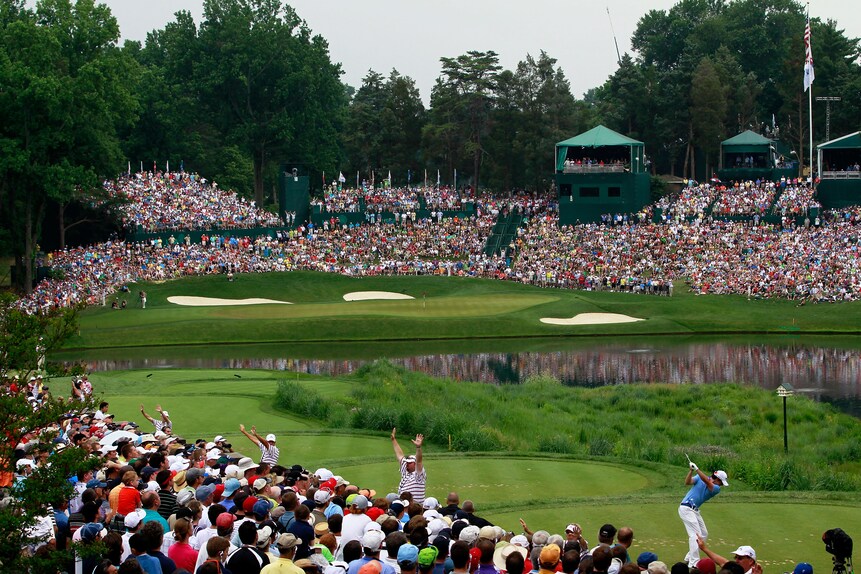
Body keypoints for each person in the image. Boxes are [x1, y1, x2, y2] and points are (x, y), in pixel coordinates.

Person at [678, 459, 729, 568]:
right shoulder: (701, 478)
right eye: (721, 482)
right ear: (717, 479)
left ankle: (688, 557)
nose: (721, 485)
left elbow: (707, 481)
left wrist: (697, 469)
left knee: (704, 534)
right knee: (695, 535)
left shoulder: (716, 488)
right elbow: (687, 482)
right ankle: (693, 563)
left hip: (694, 510)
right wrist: (691, 471)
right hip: (686, 508)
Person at [390, 428, 426, 505]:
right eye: (407, 463)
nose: (407, 464)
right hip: (404, 505)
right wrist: (393, 440)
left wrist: (418, 448)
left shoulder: (418, 475)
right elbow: (400, 455)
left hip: (416, 507)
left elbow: (419, 461)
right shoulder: (405, 471)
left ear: (415, 464)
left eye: (410, 463)